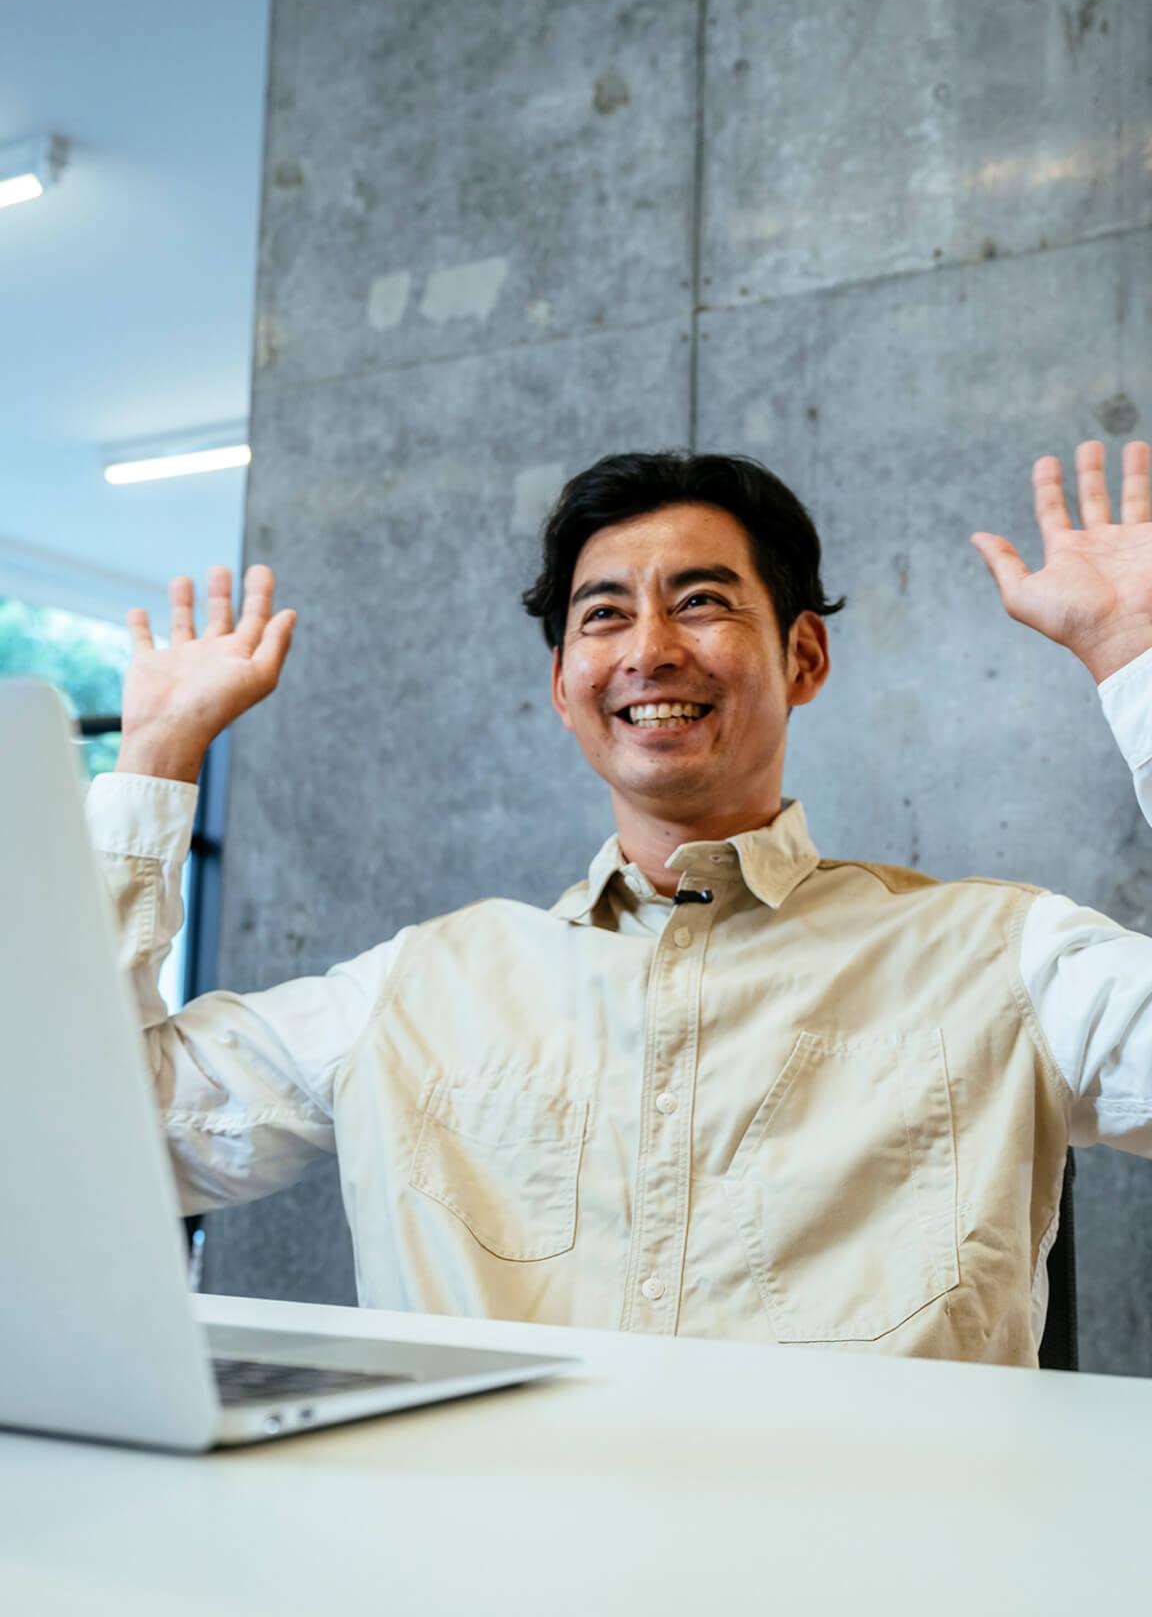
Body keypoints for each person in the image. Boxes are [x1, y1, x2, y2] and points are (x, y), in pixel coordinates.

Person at [85, 440, 1152, 1364]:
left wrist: (1137, 656)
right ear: (564, 684)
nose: (649, 647)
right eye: (604, 614)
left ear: (804, 656)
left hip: (880, 1587)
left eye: (701, 599)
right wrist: (157, 754)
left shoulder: (1003, 957)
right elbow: (101, 1129)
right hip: (482, 1586)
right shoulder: (415, 988)